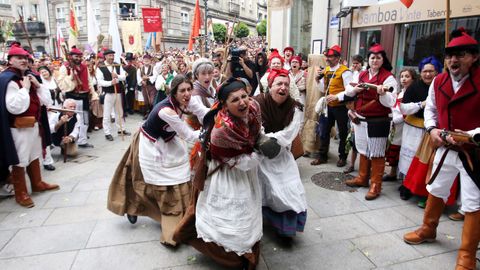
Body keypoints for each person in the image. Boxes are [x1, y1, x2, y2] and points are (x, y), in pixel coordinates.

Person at [174, 78, 277, 269]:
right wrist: (261, 151)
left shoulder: (253, 107)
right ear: (224, 105)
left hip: (245, 168)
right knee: (231, 215)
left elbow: (255, 130)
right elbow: (241, 163)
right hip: (228, 173)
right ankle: (234, 255)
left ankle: (246, 248)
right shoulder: (222, 129)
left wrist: (260, 139)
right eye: (235, 100)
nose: (243, 102)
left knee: (248, 210)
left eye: (244, 96)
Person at [403, 29, 480, 270]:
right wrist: (433, 129)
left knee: (472, 201)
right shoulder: (439, 81)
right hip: (445, 147)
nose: (454, 61)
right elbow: (431, 110)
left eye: (462, 54)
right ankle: (428, 229)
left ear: (475, 57)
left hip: (473, 152)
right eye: (450, 56)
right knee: (436, 188)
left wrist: (470, 136)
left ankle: (467, 254)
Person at [107, 75, 208, 246]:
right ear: (173, 93)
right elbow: (188, 135)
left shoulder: (188, 100)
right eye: (182, 90)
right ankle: (136, 208)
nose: (187, 94)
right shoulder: (166, 110)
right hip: (150, 145)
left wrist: (219, 116)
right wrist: (213, 132)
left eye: (189, 89)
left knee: (176, 178)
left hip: (168, 139)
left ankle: (177, 214)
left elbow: (202, 112)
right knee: (148, 182)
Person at [0, 44, 59, 208]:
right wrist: (25, 88)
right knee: (20, 159)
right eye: (19, 58)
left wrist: (38, 85)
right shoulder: (8, 79)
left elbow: (47, 101)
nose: (23, 61)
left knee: (34, 155)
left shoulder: (30, 76)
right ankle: (20, 193)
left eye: (25, 58)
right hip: (18, 128)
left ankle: (37, 183)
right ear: (10, 60)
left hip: (34, 124)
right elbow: (14, 107)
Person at [254, 69, 307, 239]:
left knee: (290, 187)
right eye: (279, 84)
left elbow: (290, 132)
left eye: (286, 84)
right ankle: (262, 219)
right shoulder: (256, 103)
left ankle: (287, 227)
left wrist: (271, 139)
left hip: (282, 153)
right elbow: (256, 129)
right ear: (270, 86)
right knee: (265, 188)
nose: (282, 87)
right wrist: (262, 140)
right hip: (260, 155)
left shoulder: (295, 107)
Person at [344, 43, 397, 200]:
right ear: (368, 59)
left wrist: (381, 93)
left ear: (383, 60)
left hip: (378, 121)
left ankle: (376, 184)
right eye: (372, 57)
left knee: (377, 153)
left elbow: (390, 102)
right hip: (361, 118)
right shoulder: (361, 74)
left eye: (378, 58)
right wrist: (355, 90)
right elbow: (348, 90)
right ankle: (362, 178)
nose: (375, 60)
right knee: (363, 149)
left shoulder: (388, 78)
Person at [399, 58, 443, 205]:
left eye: (431, 71)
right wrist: (421, 104)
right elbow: (404, 108)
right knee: (408, 159)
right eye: (425, 71)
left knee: (426, 163)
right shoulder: (414, 87)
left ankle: (423, 191)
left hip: (432, 130)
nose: (428, 74)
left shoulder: (441, 86)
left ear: (437, 72)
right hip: (412, 128)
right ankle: (406, 186)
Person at [311, 45, 353, 167]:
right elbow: (324, 88)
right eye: (327, 56)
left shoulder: (345, 71)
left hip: (341, 107)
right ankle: (322, 156)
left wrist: (337, 96)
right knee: (324, 131)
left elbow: (350, 91)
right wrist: (318, 81)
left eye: (330, 56)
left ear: (338, 58)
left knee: (343, 132)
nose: (328, 58)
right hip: (328, 107)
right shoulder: (327, 70)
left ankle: (343, 157)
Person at [56, 46, 95, 148]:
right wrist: (71, 77)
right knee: (72, 120)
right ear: (70, 56)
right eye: (75, 56)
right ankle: (70, 140)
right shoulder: (64, 67)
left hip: (84, 96)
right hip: (72, 97)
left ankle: (83, 140)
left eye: (79, 56)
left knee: (85, 120)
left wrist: (93, 94)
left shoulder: (84, 67)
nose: (78, 58)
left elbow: (89, 81)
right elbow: (61, 83)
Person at [383, 68, 417, 182]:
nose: (404, 79)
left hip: (404, 126)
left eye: (407, 76)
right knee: (393, 149)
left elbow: (408, 112)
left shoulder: (413, 92)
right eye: (402, 76)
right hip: (395, 126)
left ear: (413, 78)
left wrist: (396, 119)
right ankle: (393, 173)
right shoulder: (400, 92)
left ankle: (405, 178)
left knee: (403, 152)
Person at [97, 49, 130, 141]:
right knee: (107, 113)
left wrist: (117, 76)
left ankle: (121, 129)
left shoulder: (118, 65)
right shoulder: (101, 67)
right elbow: (100, 82)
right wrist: (111, 82)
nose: (111, 57)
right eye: (109, 56)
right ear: (105, 56)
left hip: (118, 92)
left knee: (119, 112)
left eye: (112, 55)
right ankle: (107, 132)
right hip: (108, 93)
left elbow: (124, 76)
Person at [137, 54, 157, 119]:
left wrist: (148, 78)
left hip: (151, 87)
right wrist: (142, 81)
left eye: (147, 60)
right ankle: (148, 113)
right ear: (143, 60)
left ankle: (152, 113)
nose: (146, 61)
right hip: (144, 87)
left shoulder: (153, 68)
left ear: (150, 60)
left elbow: (155, 76)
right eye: (145, 60)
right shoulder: (139, 69)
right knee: (146, 101)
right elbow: (138, 77)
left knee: (151, 101)